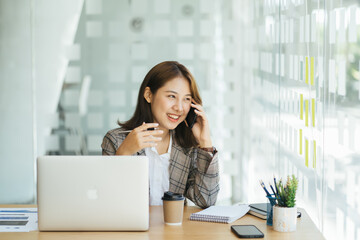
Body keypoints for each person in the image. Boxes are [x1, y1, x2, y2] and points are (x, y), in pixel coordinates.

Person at [101, 61, 219, 208]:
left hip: (174, 230)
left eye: (187, 99)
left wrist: (205, 142)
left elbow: (206, 200)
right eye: (171, 96)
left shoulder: (188, 147)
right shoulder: (115, 140)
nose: (179, 108)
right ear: (149, 95)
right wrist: (124, 153)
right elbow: (107, 201)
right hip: (131, 229)